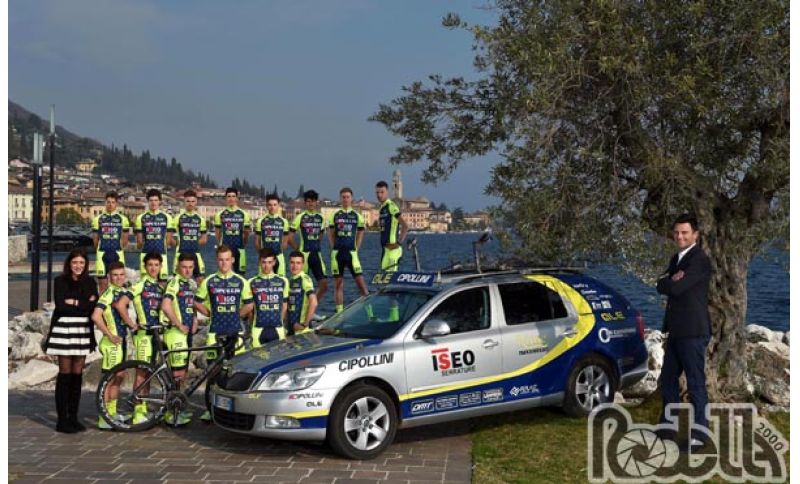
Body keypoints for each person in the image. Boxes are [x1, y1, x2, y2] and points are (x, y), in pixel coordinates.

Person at [656, 213, 712, 449]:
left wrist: (670, 282)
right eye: (677, 232)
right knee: (668, 380)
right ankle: (667, 428)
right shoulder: (676, 258)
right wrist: (671, 280)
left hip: (693, 331)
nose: (680, 236)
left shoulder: (699, 260)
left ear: (695, 235)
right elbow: (661, 284)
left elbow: (677, 289)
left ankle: (700, 434)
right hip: (676, 331)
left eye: (685, 232)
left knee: (695, 383)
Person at [42, 248, 98, 433]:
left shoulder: (90, 282)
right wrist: (82, 303)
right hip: (63, 330)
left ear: (86, 264)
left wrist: (74, 302)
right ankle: (62, 420)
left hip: (82, 330)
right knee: (65, 374)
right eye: (75, 262)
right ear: (69, 264)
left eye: (81, 262)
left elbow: (91, 306)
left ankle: (73, 417)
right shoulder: (60, 281)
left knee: (77, 374)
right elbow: (61, 305)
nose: (78, 266)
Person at [194, 244, 249, 421]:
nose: (224, 263)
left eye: (227, 260)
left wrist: (236, 315)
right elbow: (196, 301)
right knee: (213, 372)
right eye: (220, 260)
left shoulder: (241, 281)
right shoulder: (209, 281)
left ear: (232, 260)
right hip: (214, 332)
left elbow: (249, 304)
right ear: (216, 261)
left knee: (236, 372)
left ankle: (234, 410)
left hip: (235, 332)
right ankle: (210, 409)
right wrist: (209, 313)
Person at [118, 252, 164, 424]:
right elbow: (120, 304)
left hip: (156, 336)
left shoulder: (160, 287)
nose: (153, 268)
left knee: (150, 373)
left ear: (161, 267)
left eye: (156, 265)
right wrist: (132, 324)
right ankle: (137, 412)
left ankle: (143, 408)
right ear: (145, 267)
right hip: (143, 336)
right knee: (141, 373)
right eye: (150, 265)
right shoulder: (140, 285)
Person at [91, 262, 138, 430]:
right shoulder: (108, 293)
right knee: (109, 380)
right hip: (112, 343)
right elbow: (96, 316)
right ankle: (104, 417)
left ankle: (112, 412)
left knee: (119, 377)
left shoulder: (122, 292)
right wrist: (109, 334)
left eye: (121, 275)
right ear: (109, 277)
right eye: (115, 275)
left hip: (122, 342)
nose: (118, 278)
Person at [161, 252, 199, 425]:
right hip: (176, 334)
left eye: (190, 267)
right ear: (178, 266)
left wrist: (195, 319)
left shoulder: (190, 284)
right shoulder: (174, 282)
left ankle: (177, 408)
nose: (187, 270)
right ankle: (171, 414)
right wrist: (178, 324)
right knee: (177, 375)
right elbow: (166, 306)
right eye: (184, 267)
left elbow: (190, 304)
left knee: (182, 373)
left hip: (186, 334)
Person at [328, 187, 369, 313]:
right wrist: (333, 246)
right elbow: (330, 232)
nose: (345, 199)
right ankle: (339, 314)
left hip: (352, 254)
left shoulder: (357, 216)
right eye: (343, 197)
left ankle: (370, 313)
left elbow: (361, 231)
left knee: (361, 285)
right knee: (338, 284)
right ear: (340, 199)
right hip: (337, 254)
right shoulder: (335, 215)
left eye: (348, 197)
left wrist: (357, 247)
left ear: (351, 198)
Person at [241, 248, 290, 347]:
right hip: (258, 329)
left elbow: (284, 306)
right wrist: (251, 324)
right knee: (256, 356)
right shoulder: (251, 282)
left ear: (274, 262)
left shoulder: (283, 281)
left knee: (279, 355)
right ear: (259, 262)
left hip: (278, 329)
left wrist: (280, 322)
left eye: (269, 262)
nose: (266, 266)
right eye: (263, 262)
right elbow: (249, 308)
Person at [289, 189, 328, 303]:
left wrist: (316, 243)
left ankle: (312, 307)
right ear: (305, 203)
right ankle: (300, 309)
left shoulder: (321, 218)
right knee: (301, 286)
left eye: (313, 201)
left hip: (317, 255)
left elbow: (321, 234)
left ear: (316, 202)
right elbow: (290, 236)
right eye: (308, 201)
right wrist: (297, 249)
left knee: (324, 285)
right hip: (304, 255)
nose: (311, 203)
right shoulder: (300, 217)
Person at [91, 191, 131, 293]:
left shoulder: (123, 219)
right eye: (108, 202)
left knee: (118, 283)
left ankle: (116, 302)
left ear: (116, 203)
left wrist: (119, 247)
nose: (110, 204)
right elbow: (95, 240)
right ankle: (104, 303)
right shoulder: (97, 219)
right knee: (102, 284)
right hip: (102, 254)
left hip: (117, 254)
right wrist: (98, 250)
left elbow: (125, 240)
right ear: (105, 202)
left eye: (113, 202)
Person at [134, 188, 173, 280]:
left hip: (162, 254)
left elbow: (168, 240)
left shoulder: (167, 217)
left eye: (156, 200)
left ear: (160, 201)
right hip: (146, 254)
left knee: (162, 282)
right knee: (145, 283)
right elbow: (139, 242)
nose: (153, 203)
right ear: (148, 201)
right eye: (151, 200)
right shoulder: (140, 218)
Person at [172, 189, 208, 282]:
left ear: (196, 202)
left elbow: (204, 239)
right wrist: (177, 243)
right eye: (188, 201)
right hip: (180, 252)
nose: (190, 204)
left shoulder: (200, 219)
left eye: (192, 201)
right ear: (184, 202)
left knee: (201, 280)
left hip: (195, 253)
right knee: (177, 280)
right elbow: (169, 237)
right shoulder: (177, 218)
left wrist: (194, 243)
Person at [214, 187, 251, 275]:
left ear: (237, 198)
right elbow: (217, 233)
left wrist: (244, 244)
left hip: (239, 249)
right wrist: (220, 245)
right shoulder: (220, 214)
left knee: (240, 275)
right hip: (225, 249)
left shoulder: (244, 214)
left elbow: (246, 233)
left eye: (233, 196)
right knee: (224, 273)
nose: (231, 199)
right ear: (226, 198)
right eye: (229, 196)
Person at [375, 181, 408, 272]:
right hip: (385, 250)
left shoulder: (391, 206)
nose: (379, 195)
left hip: (393, 250)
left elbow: (405, 226)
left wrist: (399, 243)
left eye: (382, 192)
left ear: (387, 192)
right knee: (383, 278)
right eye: (377, 192)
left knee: (391, 277)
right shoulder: (382, 208)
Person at [254, 193, 290, 276]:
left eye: (275, 205)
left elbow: (285, 242)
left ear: (278, 206)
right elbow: (256, 242)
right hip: (265, 258)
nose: (272, 207)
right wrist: (262, 255)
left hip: (279, 257)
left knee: (281, 281)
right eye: (270, 205)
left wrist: (280, 252)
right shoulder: (261, 221)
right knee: (263, 282)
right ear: (267, 206)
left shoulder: (284, 221)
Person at [286, 251, 318, 334]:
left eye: (298, 263)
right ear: (289, 264)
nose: (295, 266)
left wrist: (305, 324)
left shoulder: (304, 279)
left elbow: (314, 302)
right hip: (291, 327)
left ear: (303, 265)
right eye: (292, 262)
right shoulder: (290, 280)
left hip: (301, 329)